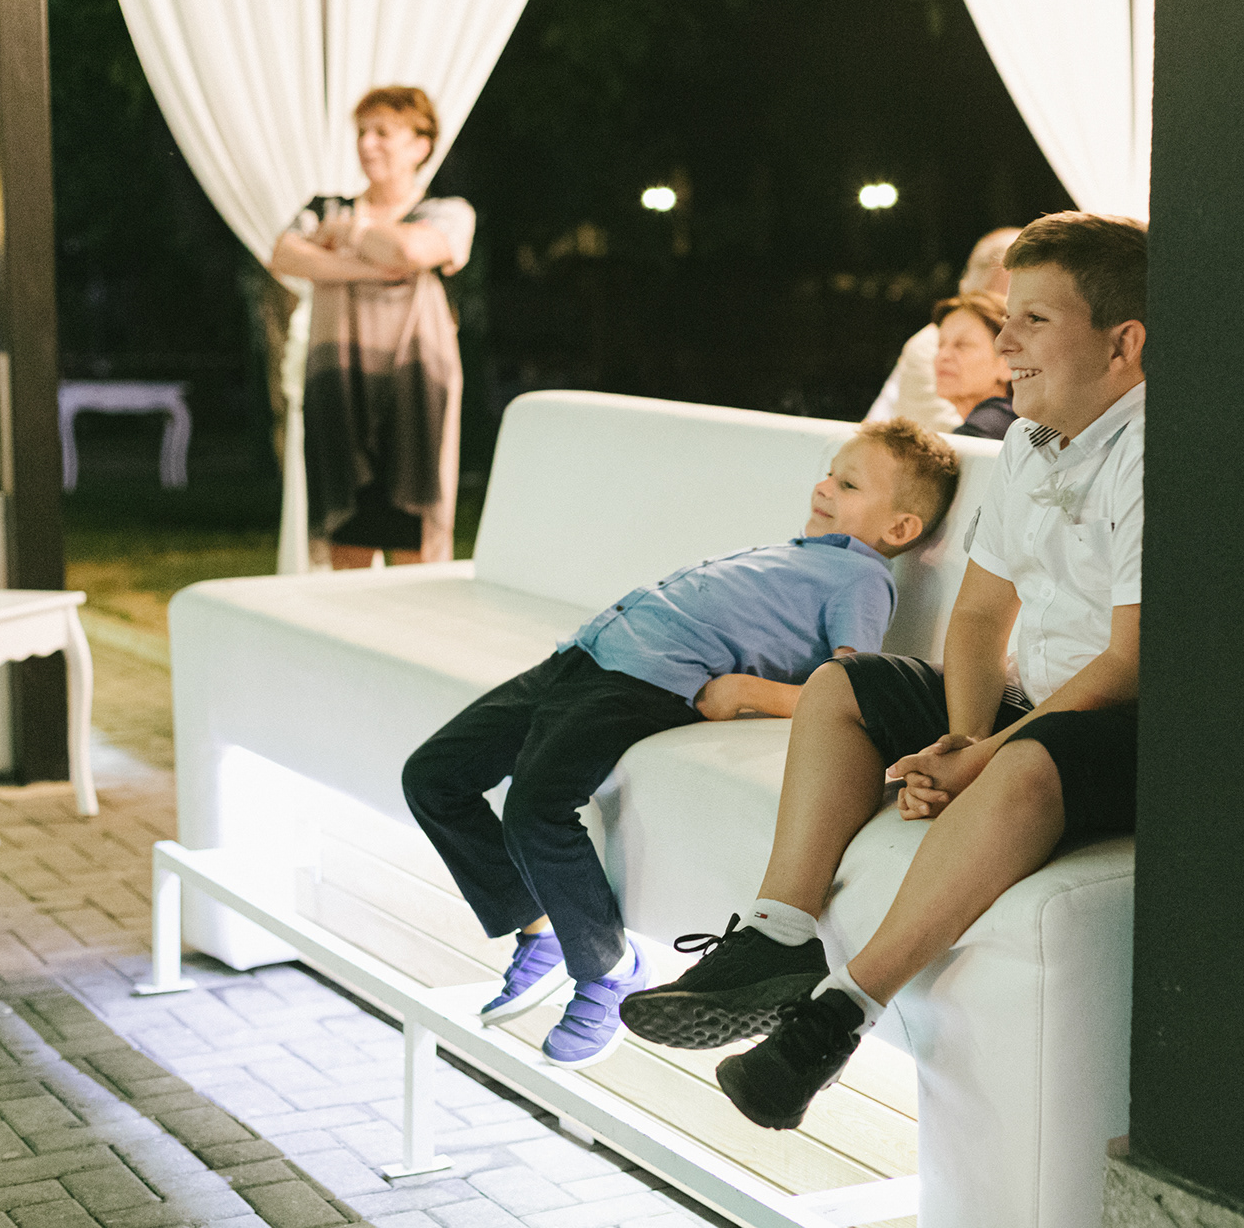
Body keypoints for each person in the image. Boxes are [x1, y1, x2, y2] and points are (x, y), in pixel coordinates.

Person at [622, 212, 1147, 1131]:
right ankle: (778, 936)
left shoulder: (1157, 454)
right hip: (1034, 706)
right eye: (1007, 318)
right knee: (843, 686)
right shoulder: (1030, 442)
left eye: (1034, 321)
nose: (1006, 343)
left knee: (1030, 762)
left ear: (1122, 344)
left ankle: (836, 1017)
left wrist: (986, 760)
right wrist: (962, 738)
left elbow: (1130, 663)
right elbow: (979, 616)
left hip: (1132, 723)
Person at [400, 420, 962, 1069]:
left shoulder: (859, 579)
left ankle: (607, 969)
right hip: (581, 658)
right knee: (433, 776)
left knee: (537, 807)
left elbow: (851, 687)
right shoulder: (802, 553)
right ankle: (540, 927)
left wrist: (747, 691)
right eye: (830, 473)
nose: (824, 487)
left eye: (849, 484)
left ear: (899, 528)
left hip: (646, 681)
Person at [271, 86, 475, 569]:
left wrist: (350, 235)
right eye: (362, 132)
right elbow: (283, 254)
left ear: (420, 145)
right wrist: (376, 266)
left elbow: (413, 250)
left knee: (414, 540)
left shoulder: (446, 212)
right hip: (338, 383)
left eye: (383, 132)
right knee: (347, 535)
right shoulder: (325, 206)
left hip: (416, 387)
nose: (367, 144)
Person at [865, 227, 1021, 430]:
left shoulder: (998, 423)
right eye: (1016, 285)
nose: (942, 356)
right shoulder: (926, 345)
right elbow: (942, 435)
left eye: (962, 345)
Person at [929, 291, 1018, 440]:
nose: (943, 356)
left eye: (962, 345)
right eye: (941, 344)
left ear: (1007, 363)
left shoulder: (984, 428)